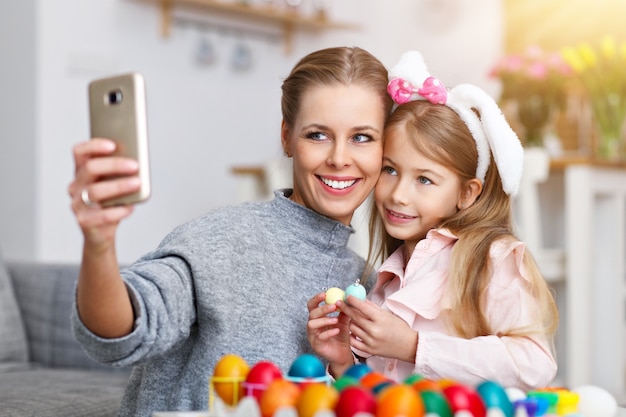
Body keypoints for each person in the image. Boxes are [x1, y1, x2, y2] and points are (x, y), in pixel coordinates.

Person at [67, 46, 393, 417]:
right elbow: (117, 333)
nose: (338, 157)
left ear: (386, 149)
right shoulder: (221, 239)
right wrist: (98, 243)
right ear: (287, 137)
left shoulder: (371, 281)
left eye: (362, 137)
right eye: (317, 135)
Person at [306, 50, 559, 390]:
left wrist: (414, 346)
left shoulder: (492, 259)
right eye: (390, 170)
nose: (399, 195)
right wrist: (342, 362)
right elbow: (386, 394)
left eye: (424, 179)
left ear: (466, 194)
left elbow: (534, 364)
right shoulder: (388, 278)